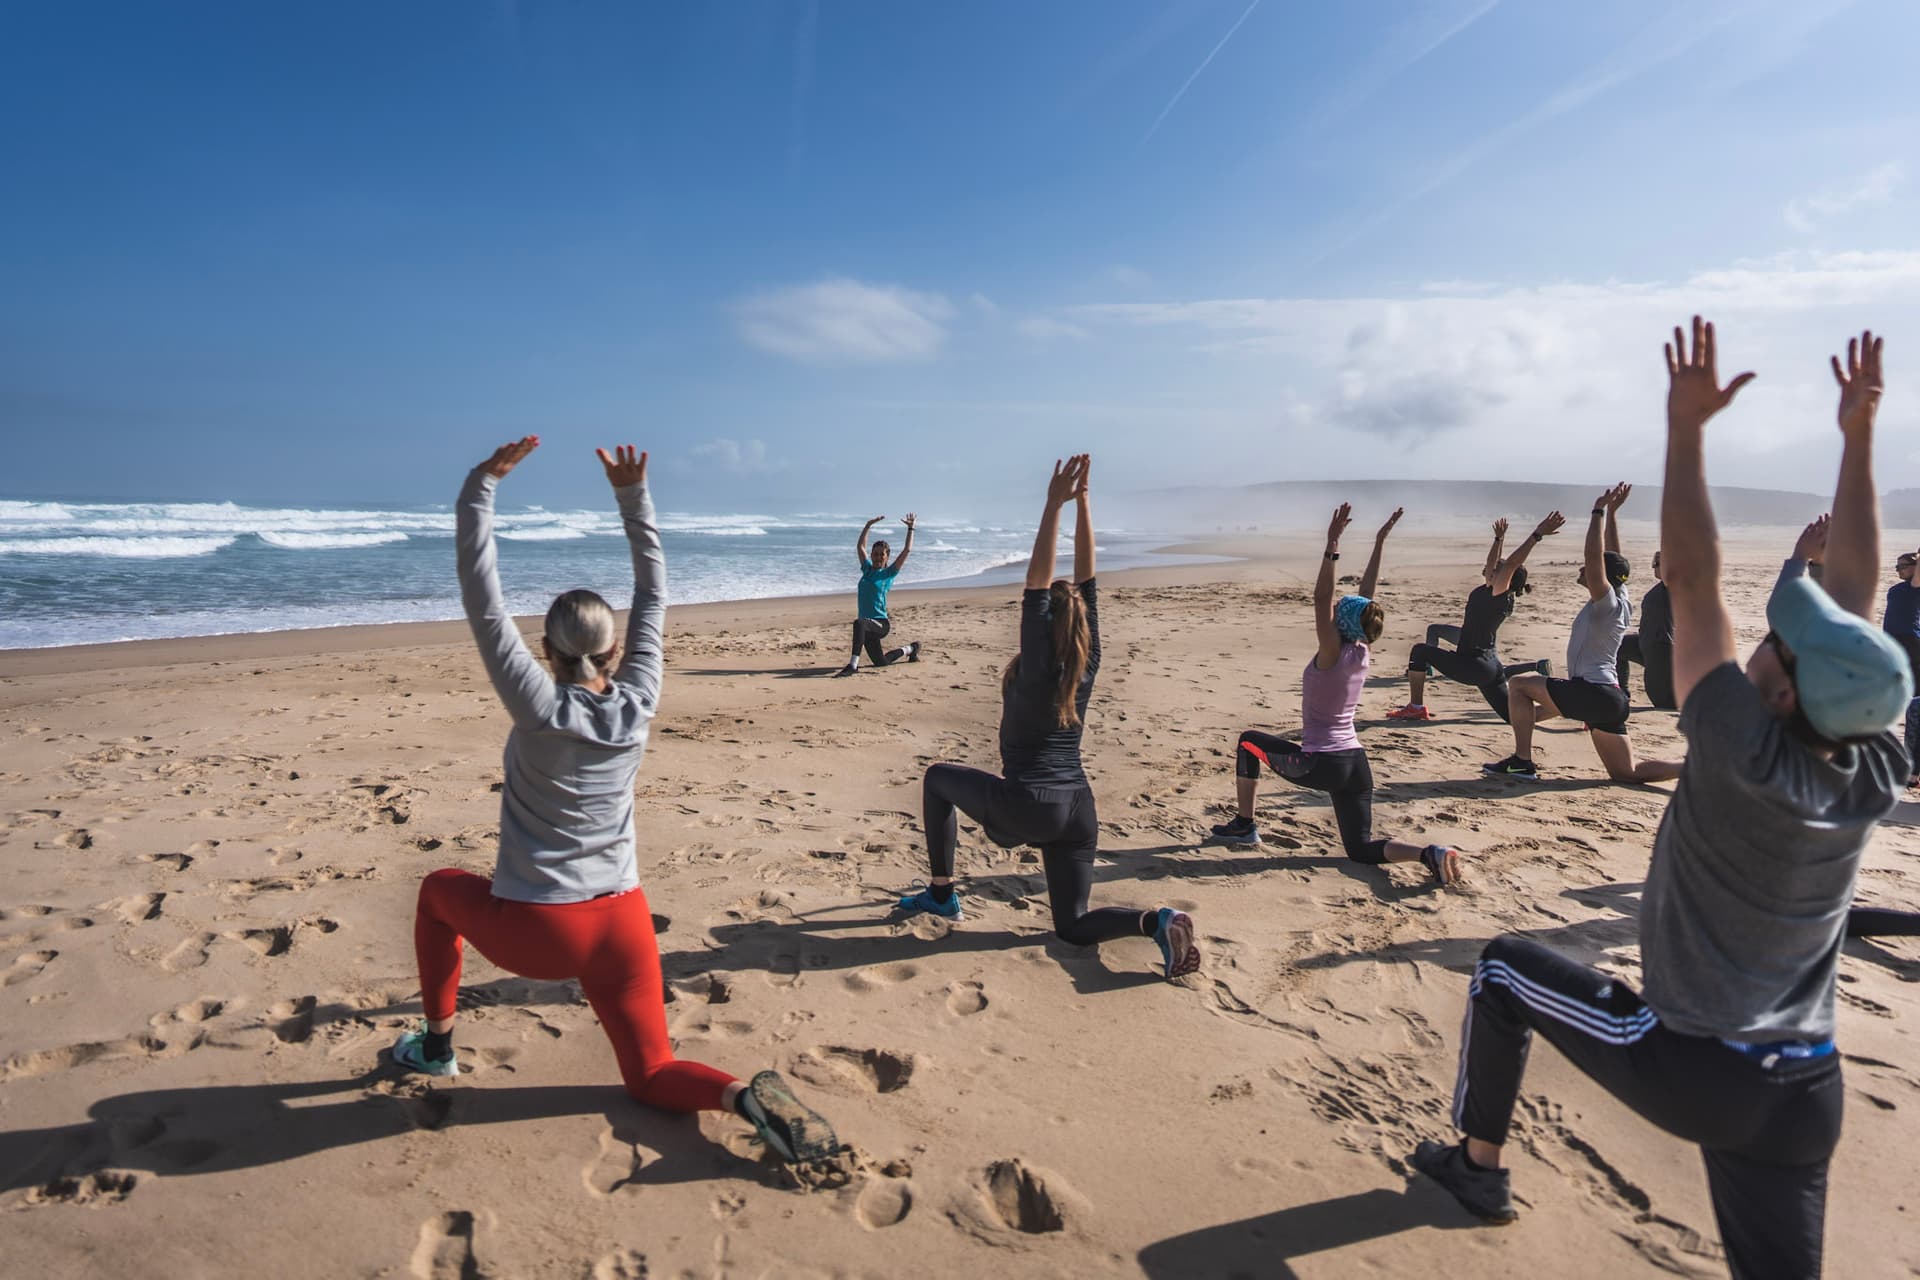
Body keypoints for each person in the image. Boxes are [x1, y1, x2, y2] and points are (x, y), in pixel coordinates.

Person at [1415, 319, 1910, 1280]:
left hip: (1701, 1065)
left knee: (1503, 974)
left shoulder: (1735, 744)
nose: (1769, 633)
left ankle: (1477, 1170)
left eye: (1780, 639)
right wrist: (1858, 440)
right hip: (1807, 1087)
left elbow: (1692, 577)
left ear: (1778, 690)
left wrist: (1685, 432)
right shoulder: (1872, 762)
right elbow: (1854, 612)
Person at [393, 436, 838, 1166]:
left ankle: (437, 1047)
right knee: (651, 1072)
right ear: (616, 646)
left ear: (547, 650)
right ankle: (741, 1097)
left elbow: (482, 596)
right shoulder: (640, 699)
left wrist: (481, 487)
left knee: (438, 891)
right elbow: (656, 590)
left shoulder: (537, 704)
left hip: (543, 931)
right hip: (624, 921)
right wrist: (633, 497)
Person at [897, 454, 1202, 980]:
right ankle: (1157, 921)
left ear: (1046, 623)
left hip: (1028, 806)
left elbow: (1037, 585)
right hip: (1078, 810)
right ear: (1081, 620)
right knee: (1072, 924)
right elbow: (1087, 581)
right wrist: (1083, 502)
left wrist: (1052, 505)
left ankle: (942, 895)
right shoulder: (1089, 658)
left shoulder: (1038, 667)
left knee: (936, 779)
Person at [1210, 505, 1463, 886]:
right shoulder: (1361, 648)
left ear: (1339, 623)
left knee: (1248, 743)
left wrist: (1332, 544)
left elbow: (1320, 598)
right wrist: (1379, 540)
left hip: (1321, 763)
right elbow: (1367, 599)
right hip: (1356, 765)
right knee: (1360, 848)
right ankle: (1428, 853)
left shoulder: (1331, 652)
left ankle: (1245, 825)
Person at [1482, 483, 1683, 783]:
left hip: (1593, 692)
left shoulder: (1606, 603)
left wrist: (1597, 512)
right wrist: (1613, 514)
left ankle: (1522, 761)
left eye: (1586, 569)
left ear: (1600, 574)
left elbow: (1595, 557)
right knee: (1626, 773)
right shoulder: (1620, 596)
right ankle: (1694, 768)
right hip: (1610, 699)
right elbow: (1613, 555)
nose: (1580, 569)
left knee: (1520, 684)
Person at [1387, 513, 1562, 722]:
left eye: (1497, 570)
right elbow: (1494, 563)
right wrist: (1499, 539)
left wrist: (1537, 535)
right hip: (1490, 666)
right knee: (1513, 717)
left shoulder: (1499, 596)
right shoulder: (1492, 591)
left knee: (1419, 651)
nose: (1491, 570)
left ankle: (1416, 707)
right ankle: (1568, 708)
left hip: (1474, 665)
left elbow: (1511, 563)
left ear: (1506, 579)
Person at [836, 514, 922, 677]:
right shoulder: (867, 570)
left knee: (859, 623)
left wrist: (910, 528)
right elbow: (860, 547)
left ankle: (852, 665)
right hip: (867, 627)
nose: (877, 557)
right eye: (875, 554)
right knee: (881, 662)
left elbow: (907, 550)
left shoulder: (889, 573)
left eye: (881, 554)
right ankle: (911, 648)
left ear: (887, 556)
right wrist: (868, 525)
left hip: (880, 624)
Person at [1616, 549, 1677, 710]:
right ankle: (1621, 694)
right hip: (1645, 643)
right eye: (1654, 563)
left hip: (1661, 647)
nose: (1654, 567)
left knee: (1664, 703)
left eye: (1657, 563)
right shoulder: (1662, 588)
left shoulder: (1674, 584)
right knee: (1617, 646)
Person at [1882, 545, 1920, 780]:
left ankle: (1913, 771)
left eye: (1902, 566)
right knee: (1910, 709)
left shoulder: (1917, 587)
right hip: (1894, 647)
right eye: (1895, 566)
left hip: (1912, 648)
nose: (1897, 570)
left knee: (1915, 711)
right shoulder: (1898, 589)